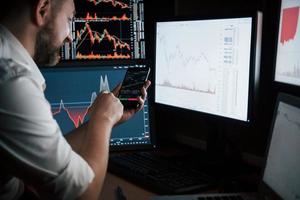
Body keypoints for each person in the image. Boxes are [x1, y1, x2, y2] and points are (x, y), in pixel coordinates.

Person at [0, 0, 151, 199]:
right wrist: (103, 119)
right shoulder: (12, 82)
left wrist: (108, 120)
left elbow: (49, 155)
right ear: (42, 9)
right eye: (69, 19)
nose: (71, 37)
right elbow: (84, 195)